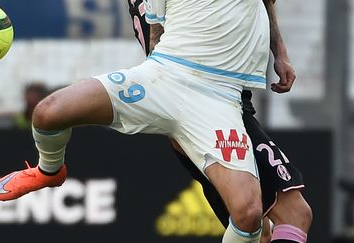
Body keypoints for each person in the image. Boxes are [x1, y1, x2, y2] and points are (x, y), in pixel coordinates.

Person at [0, 0, 283, 242]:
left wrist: (279, 53)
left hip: (219, 98)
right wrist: (153, 87)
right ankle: (49, 170)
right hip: (164, 74)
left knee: (248, 212)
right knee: (47, 112)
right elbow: (156, 30)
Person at [128, 0, 312, 242]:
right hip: (212, 108)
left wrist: (279, 52)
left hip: (209, 106)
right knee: (293, 213)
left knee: (262, 232)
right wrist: (279, 52)